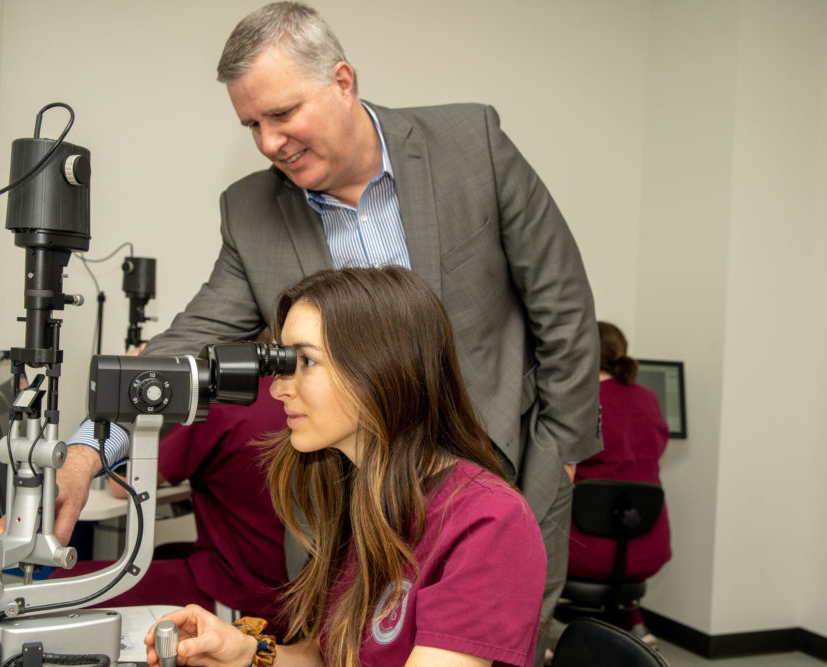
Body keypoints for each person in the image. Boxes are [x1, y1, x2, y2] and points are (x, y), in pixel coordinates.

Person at [47, 4, 600, 660]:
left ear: (342, 81)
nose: (268, 142)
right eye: (251, 124)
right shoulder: (252, 213)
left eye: (281, 115)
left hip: (500, 475)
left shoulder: (470, 144)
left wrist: (559, 457)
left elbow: (563, 310)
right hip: (360, 506)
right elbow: (188, 340)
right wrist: (86, 450)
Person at [145, 265, 546, 667]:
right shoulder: (365, 495)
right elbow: (331, 657)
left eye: (306, 361)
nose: (280, 388)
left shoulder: (489, 521)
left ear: (381, 368)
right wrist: (248, 654)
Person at [45, 378, 290, 634]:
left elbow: (124, 485)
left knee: (61, 583)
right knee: (165, 551)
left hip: (242, 596)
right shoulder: (296, 403)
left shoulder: (229, 402)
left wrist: (132, 389)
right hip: (286, 587)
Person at [566, 321, 672, 644]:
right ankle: (634, 620)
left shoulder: (578, 399)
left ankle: (532, 641)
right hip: (646, 547)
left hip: (586, 552)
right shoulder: (649, 398)